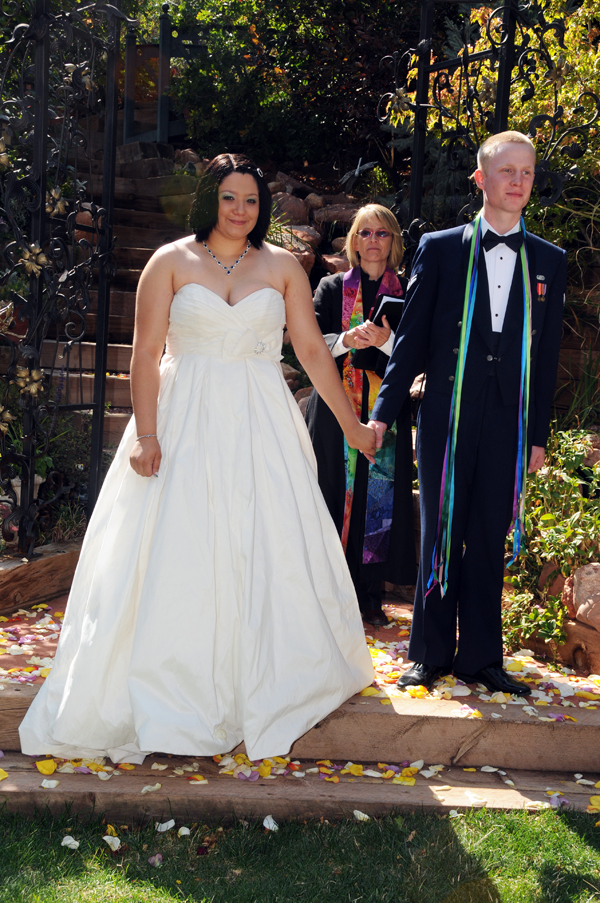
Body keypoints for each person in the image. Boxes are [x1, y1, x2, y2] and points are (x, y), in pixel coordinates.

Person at [19, 153, 375, 764]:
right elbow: (145, 354)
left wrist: (352, 426)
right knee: (180, 547)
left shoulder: (283, 265)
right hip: (183, 418)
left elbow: (313, 352)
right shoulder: (170, 261)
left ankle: (264, 678)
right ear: (209, 198)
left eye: (252, 201)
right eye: (230, 198)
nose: (241, 211)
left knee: (265, 544)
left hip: (261, 419)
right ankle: (173, 685)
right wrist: (147, 435)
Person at [368, 132, 566, 695]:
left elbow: (546, 357)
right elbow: (410, 340)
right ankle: (429, 652)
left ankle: (481, 657)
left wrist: (538, 436)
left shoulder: (550, 260)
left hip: (508, 420)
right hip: (446, 416)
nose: (518, 181)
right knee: (441, 529)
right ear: (480, 179)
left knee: (487, 533)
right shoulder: (442, 246)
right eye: (506, 171)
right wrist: (383, 411)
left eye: (527, 172)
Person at [305, 205, 416, 627]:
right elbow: (309, 339)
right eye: (365, 232)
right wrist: (344, 339)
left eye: (382, 233)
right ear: (353, 241)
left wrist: (388, 344)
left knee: (378, 497)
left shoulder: (407, 293)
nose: (373, 240)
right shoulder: (331, 288)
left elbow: (421, 353)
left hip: (384, 408)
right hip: (336, 408)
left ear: (393, 243)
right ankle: (330, 592)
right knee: (332, 488)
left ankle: (370, 596)